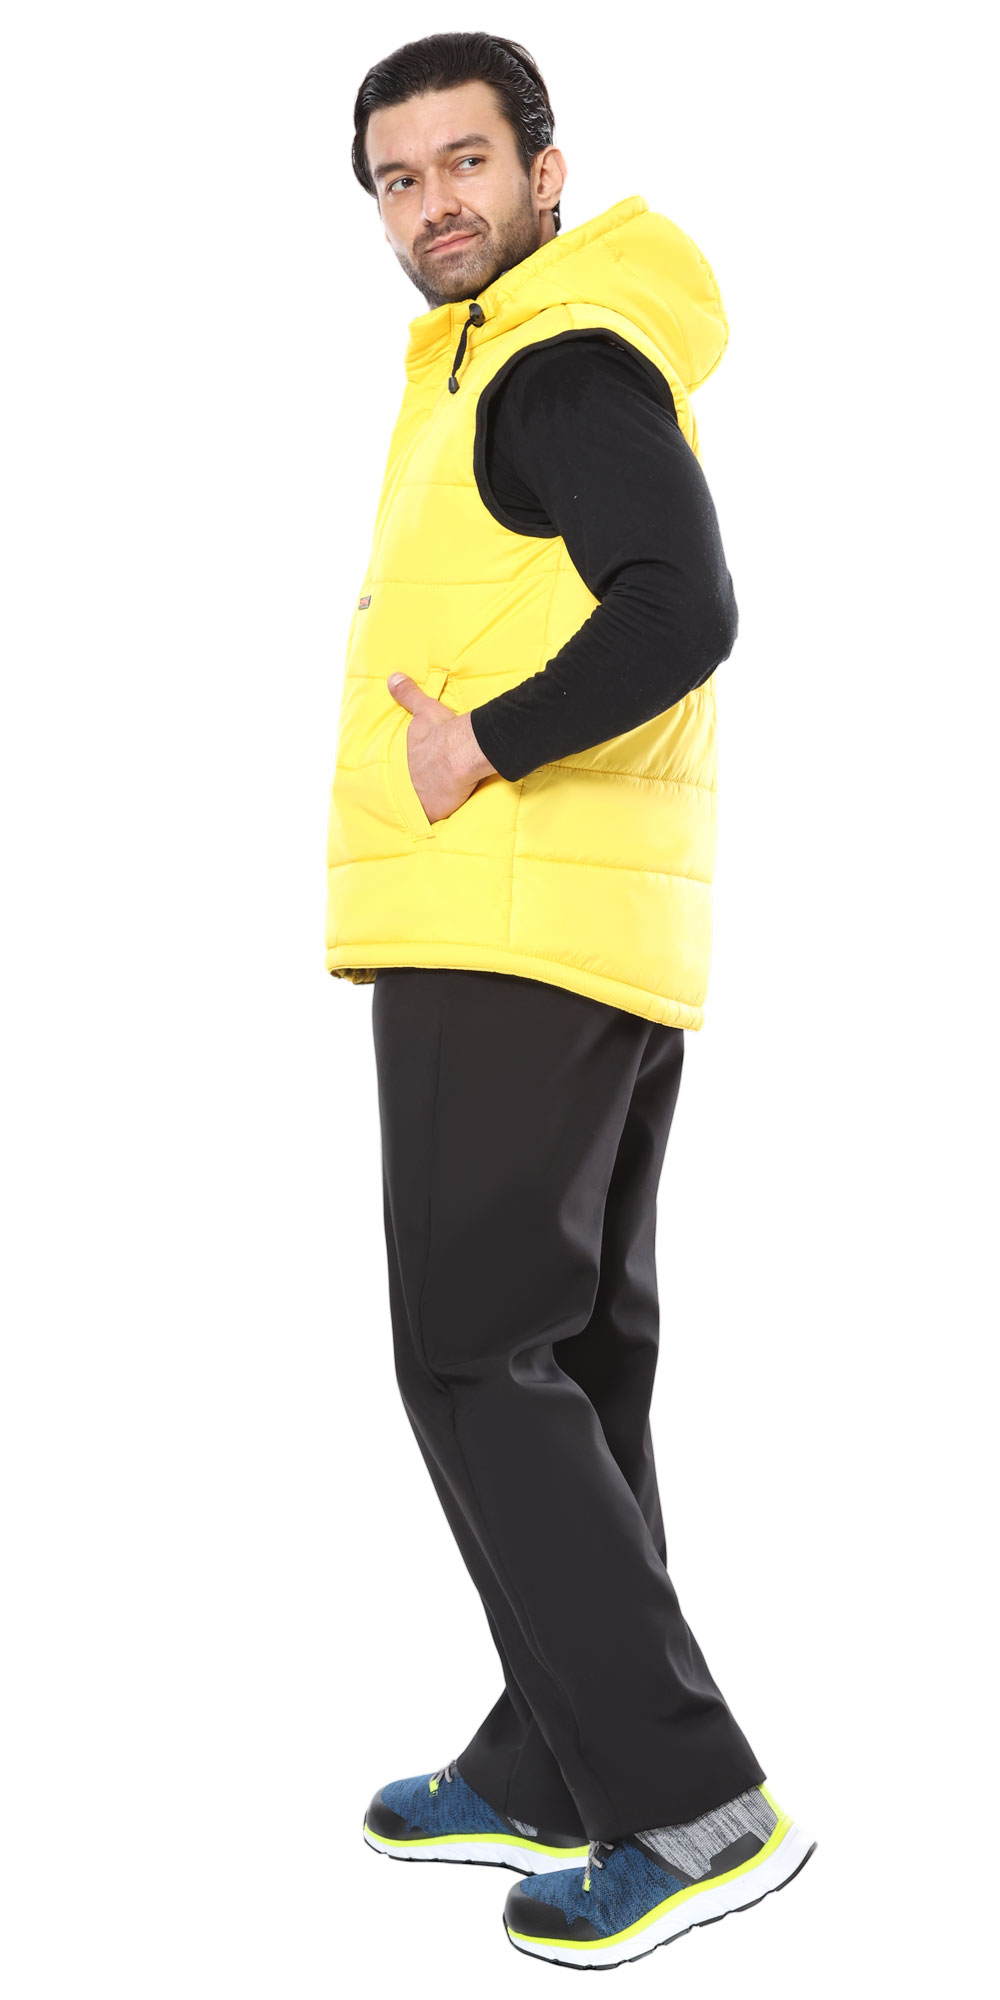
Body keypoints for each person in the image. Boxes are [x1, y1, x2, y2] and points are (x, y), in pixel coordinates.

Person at [325, 30, 815, 1970]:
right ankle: (554, 1751)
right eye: (398, 178)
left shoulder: (555, 356)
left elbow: (680, 605)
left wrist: (483, 745)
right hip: (584, 928)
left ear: (543, 170)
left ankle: (687, 1793)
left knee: (470, 1356)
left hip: (509, 920)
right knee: (576, 1357)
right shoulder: (530, 351)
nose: (432, 203)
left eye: (465, 162)